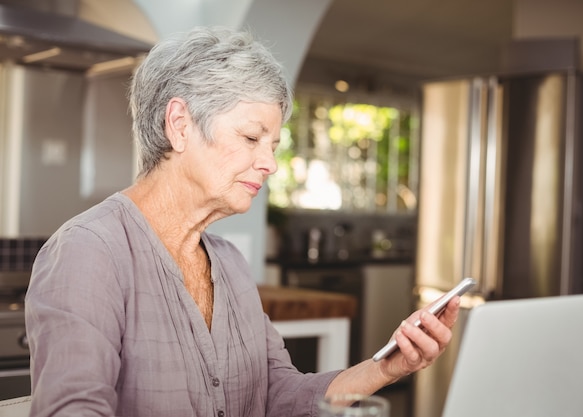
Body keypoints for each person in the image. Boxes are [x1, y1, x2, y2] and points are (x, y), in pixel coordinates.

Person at [25, 26, 460, 417]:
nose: (269, 163)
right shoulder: (88, 252)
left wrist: (387, 367)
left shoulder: (229, 264)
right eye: (251, 138)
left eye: (273, 144)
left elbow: (276, 393)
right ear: (179, 125)